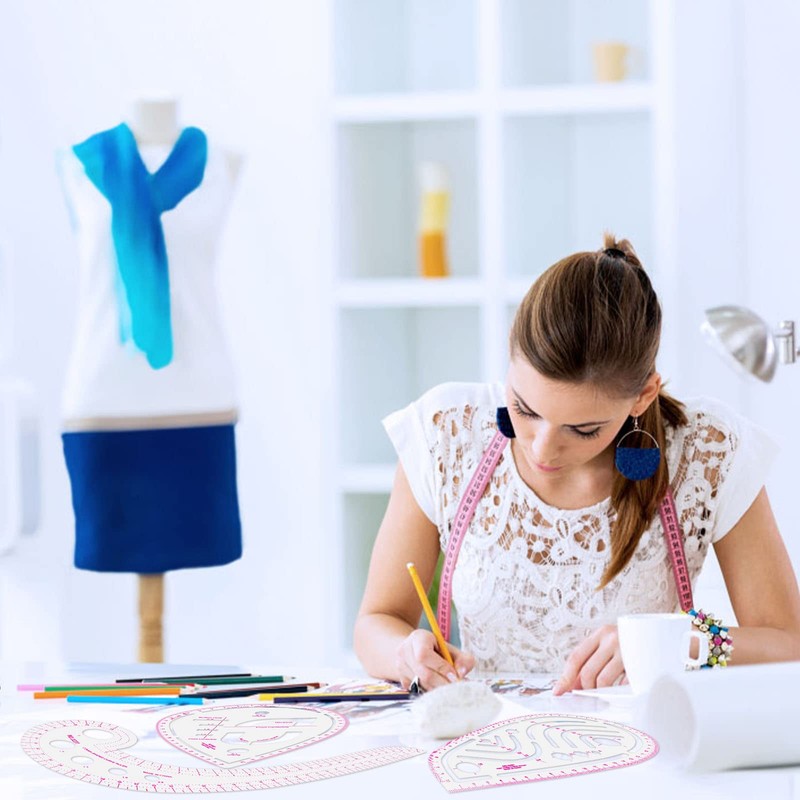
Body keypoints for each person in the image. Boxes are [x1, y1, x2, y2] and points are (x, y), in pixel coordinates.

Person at [354, 234, 800, 694]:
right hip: (486, 736)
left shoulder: (706, 452)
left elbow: (787, 643)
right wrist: (404, 652)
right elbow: (376, 621)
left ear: (643, 395)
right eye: (525, 409)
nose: (543, 450)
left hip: (643, 735)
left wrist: (675, 643)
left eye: (583, 429)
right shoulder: (446, 434)